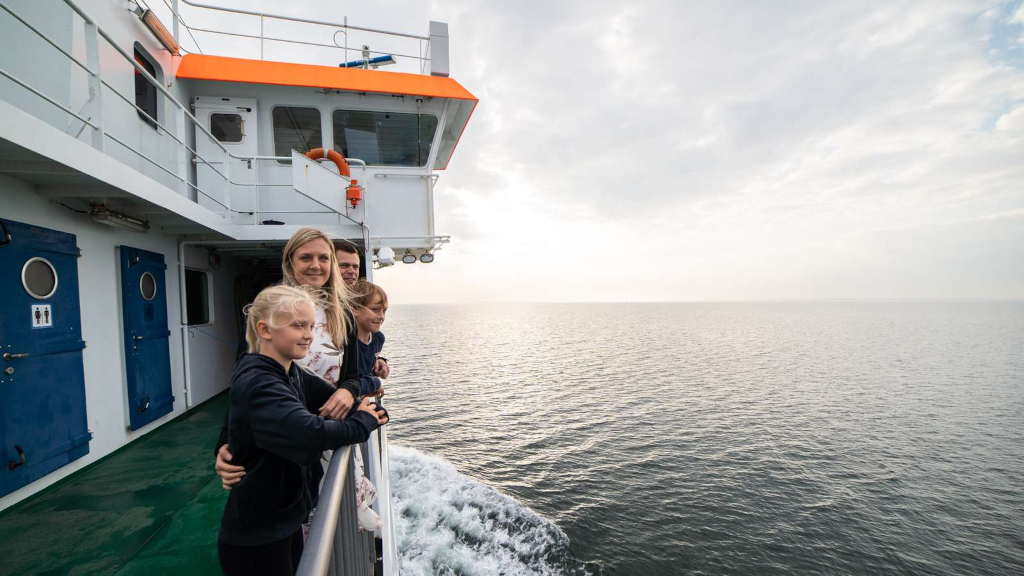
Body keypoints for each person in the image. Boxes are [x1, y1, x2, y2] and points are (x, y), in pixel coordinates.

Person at [217, 284, 388, 576]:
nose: (309, 335)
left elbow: (343, 403)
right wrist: (363, 421)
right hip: (257, 537)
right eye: (298, 326)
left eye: (310, 326)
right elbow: (310, 434)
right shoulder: (261, 382)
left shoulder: (290, 372)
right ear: (265, 329)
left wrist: (365, 408)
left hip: (284, 519)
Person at [216, 228, 361, 488]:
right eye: (306, 258)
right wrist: (225, 442)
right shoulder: (270, 311)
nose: (316, 266)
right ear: (289, 263)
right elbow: (243, 379)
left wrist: (349, 391)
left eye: (324, 258)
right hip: (282, 435)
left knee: (339, 509)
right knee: (297, 513)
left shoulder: (343, 315)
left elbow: (354, 374)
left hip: (331, 431)